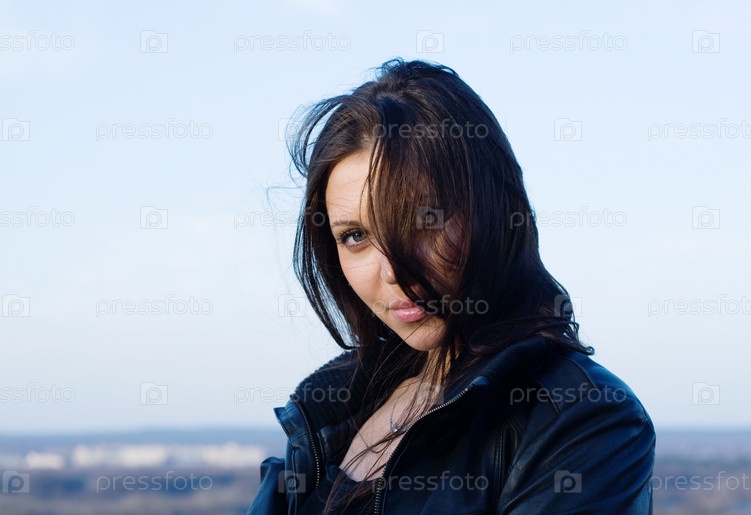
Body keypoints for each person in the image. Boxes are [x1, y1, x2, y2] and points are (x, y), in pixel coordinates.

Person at [247, 58, 655, 514]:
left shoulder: (584, 418)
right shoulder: (333, 409)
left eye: (424, 220)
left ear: (494, 212)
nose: (393, 271)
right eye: (356, 236)